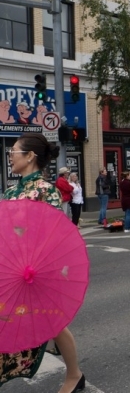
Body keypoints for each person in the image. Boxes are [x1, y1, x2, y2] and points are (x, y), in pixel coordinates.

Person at [0, 133, 85, 393]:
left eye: (14, 151)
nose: (10, 156)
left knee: (53, 324)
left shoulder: (47, 191)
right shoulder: (11, 191)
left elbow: (54, 235)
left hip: (35, 273)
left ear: (30, 156)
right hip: (11, 271)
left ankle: (74, 375)